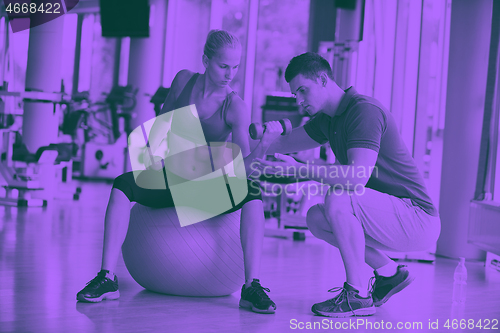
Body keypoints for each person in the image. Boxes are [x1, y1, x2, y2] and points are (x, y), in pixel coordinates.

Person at [76, 29, 279, 314]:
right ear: (206, 59)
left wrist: (265, 145)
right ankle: (107, 277)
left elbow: (245, 168)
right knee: (122, 184)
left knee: (254, 192)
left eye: (235, 67)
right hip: (174, 177)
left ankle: (251, 286)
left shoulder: (236, 107)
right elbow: (161, 127)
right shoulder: (183, 80)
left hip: (207, 191)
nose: (230, 73)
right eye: (224, 65)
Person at [254, 52, 441, 318]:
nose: (299, 100)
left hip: (416, 217)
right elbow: (282, 143)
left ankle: (357, 295)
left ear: (322, 79)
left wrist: (300, 169)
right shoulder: (327, 119)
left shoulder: (363, 111)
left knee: (339, 195)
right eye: (295, 94)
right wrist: (252, 136)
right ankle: (390, 273)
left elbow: (356, 178)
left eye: (303, 91)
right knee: (316, 218)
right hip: (389, 214)